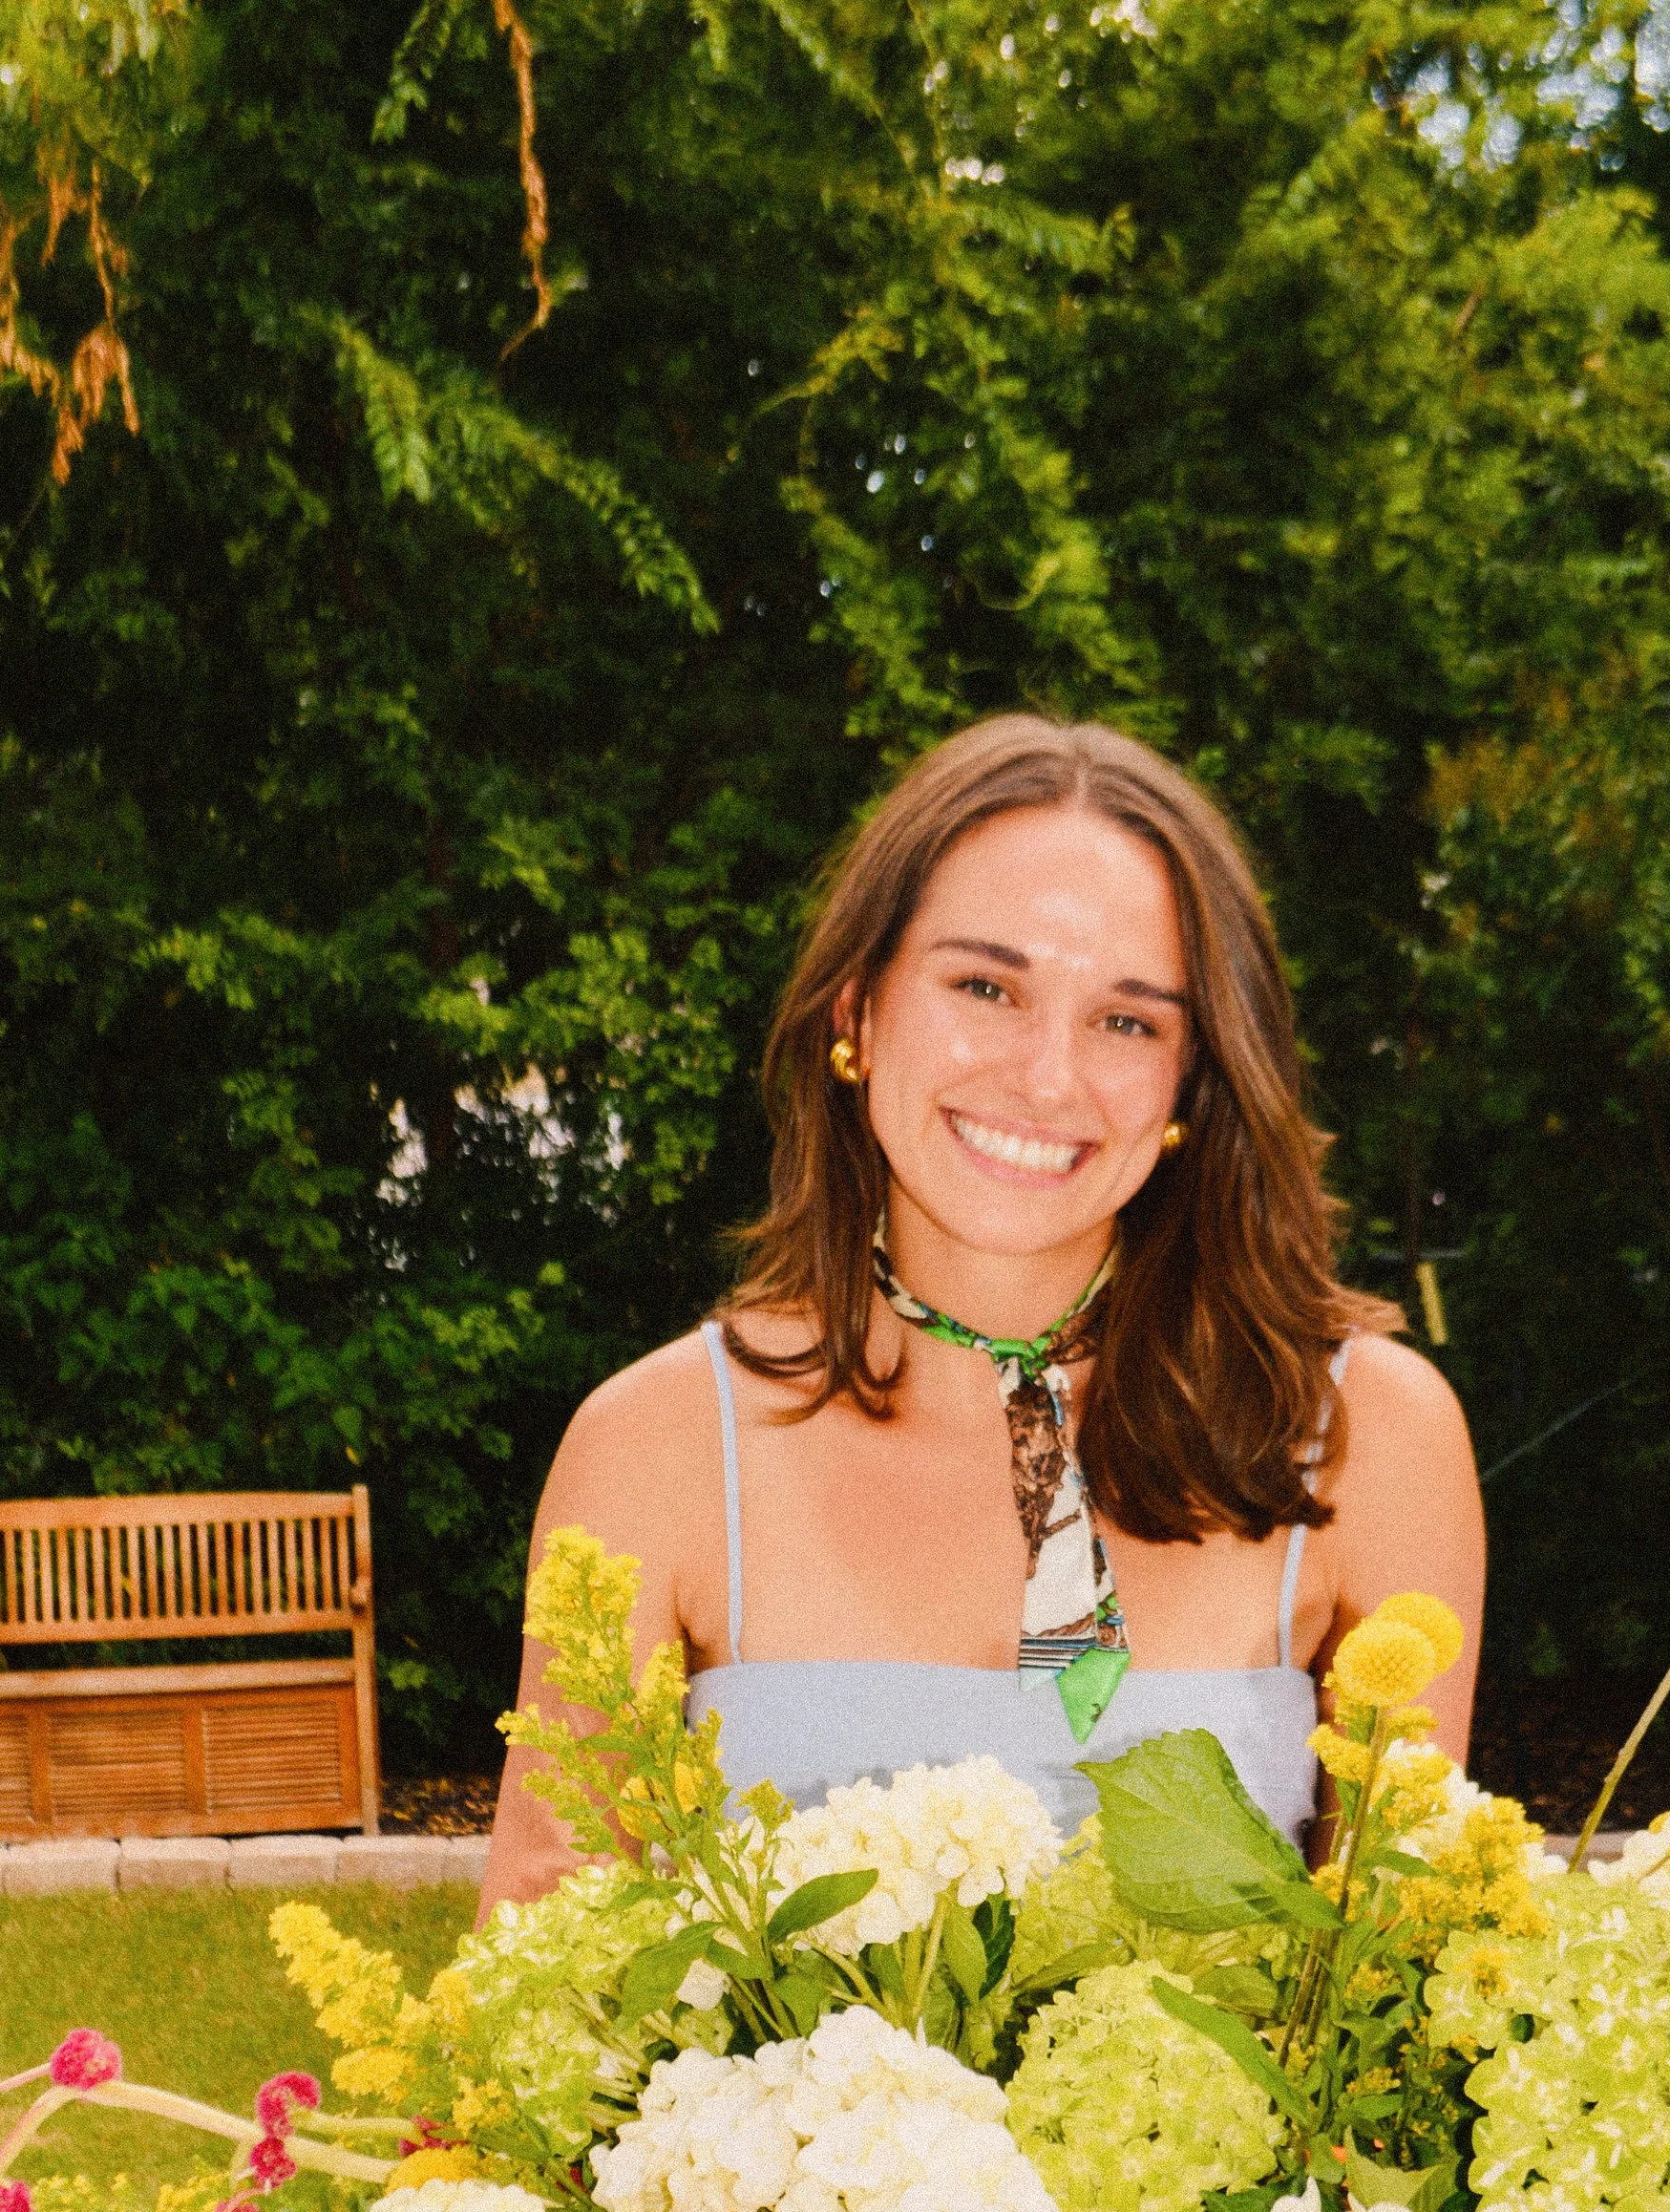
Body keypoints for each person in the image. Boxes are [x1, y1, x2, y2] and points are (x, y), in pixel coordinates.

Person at [481, 713, 1481, 1913]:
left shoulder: (1368, 1436)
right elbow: (542, 1958)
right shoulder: (655, 1444)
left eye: (1126, 1020)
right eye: (984, 985)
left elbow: (1405, 1972)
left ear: (1190, 1080)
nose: (1046, 1077)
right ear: (856, 1013)